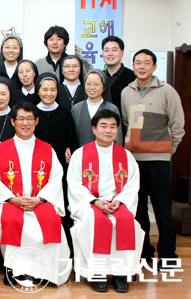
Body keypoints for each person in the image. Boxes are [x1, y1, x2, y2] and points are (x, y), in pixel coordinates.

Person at [0, 101, 71, 287]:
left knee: (51, 220)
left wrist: (39, 199)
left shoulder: (47, 149)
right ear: (13, 122)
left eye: (29, 119)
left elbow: (56, 178)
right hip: (10, 202)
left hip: (40, 201)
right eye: (21, 119)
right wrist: (12, 198)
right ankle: (14, 269)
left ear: (36, 121)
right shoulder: (0, 150)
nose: (25, 123)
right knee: (10, 219)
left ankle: (45, 270)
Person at [68, 109, 144, 293]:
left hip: (117, 203)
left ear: (118, 130)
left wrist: (120, 201)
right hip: (90, 203)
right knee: (92, 221)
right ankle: (97, 273)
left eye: (113, 126)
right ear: (94, 129)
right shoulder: (80, 154)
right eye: (103, 126)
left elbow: (133, 185)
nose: (108, 130)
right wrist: (94, 201)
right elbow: (74, 184)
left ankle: (120, 273)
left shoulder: (126, 156)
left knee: (128, 222)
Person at [122, 49, 185, 268]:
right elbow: (125, 123)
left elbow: (178, 126)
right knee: (138, 210)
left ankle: (167, 256)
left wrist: (168, 152)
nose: (141, 66)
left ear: (154, 67)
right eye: (137, 62)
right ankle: (144, 252)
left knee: (162, 210)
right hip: (134, 161)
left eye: (146, 63)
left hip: (159, 161)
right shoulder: (126, 92)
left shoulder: (167, 91)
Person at [33, 73, 78, 248]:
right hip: (37, 168)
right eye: (45, 89)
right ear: (38, 91)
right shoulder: (32, 113)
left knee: (62, 205)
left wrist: (68, 147)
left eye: (53, 89)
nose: (48, 93)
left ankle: (64, 247)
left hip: (60, 166)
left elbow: (72, 140)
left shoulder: (65, 114)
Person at [72, 70, 122, 147]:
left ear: (104, 87)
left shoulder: (112, 109)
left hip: (106, 153)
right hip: (81, 154)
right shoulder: (76, 108)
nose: (92, 87)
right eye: (88, 84)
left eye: (96, 84)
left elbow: (117, 139)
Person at [102, 36, 136, 112]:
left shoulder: (132, 77)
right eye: (106, 50)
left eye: (114, 50)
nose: (110, 53)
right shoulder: (100, 77)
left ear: (122, 53)